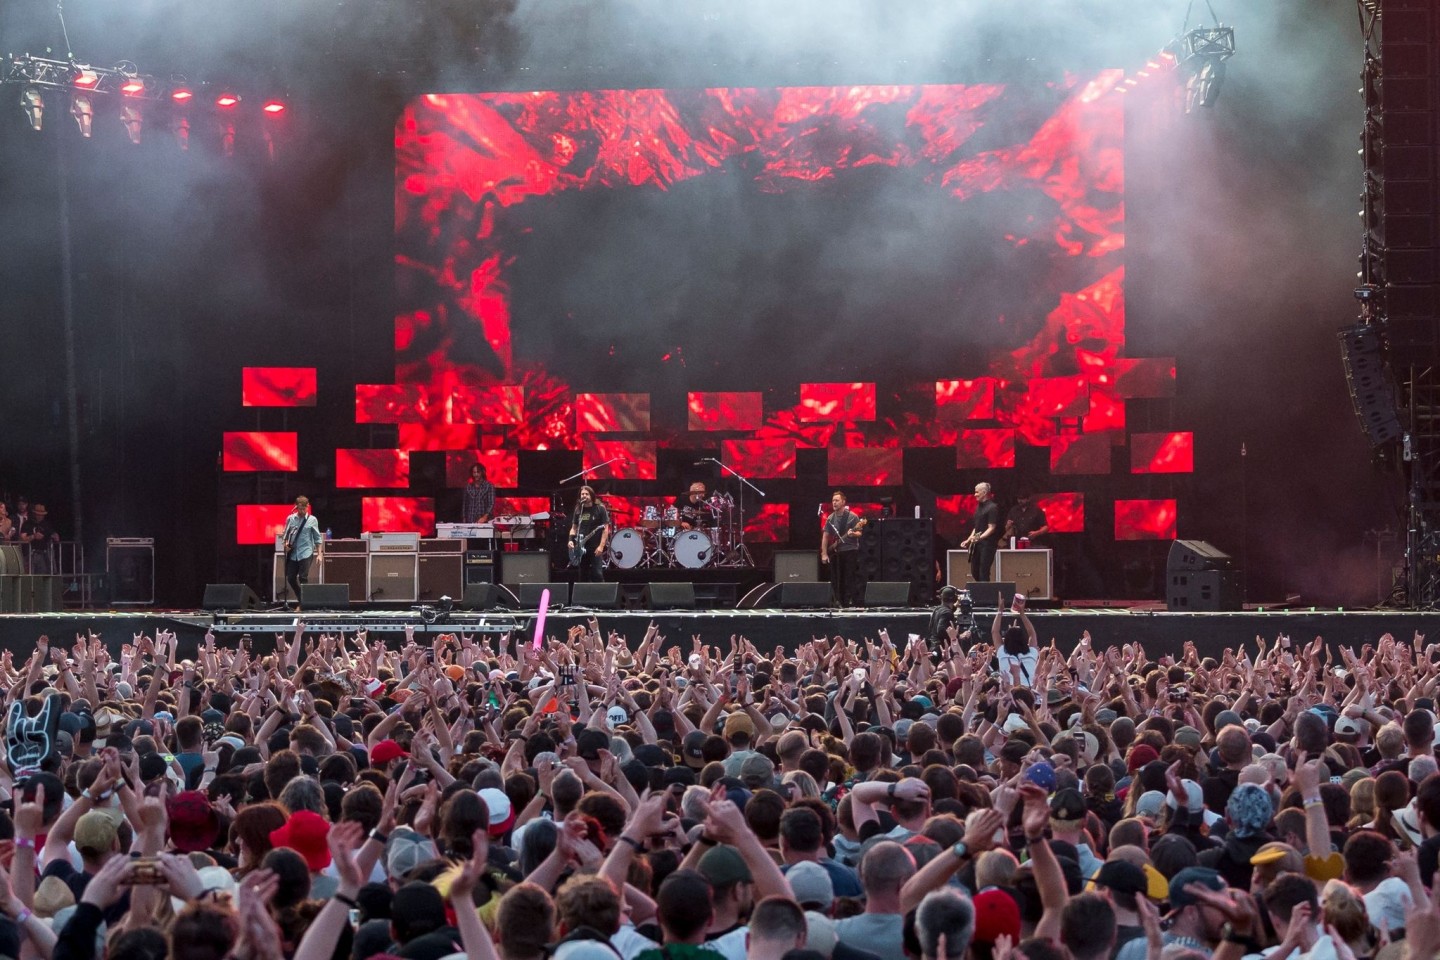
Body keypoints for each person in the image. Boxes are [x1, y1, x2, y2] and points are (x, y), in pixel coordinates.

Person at [820, 491, 865, 607]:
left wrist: (852, 534)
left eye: (837, 500)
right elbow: (825, 536)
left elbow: (859, 533)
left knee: (849, 577)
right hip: (837, 551)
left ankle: (853, 602)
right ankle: (840, 602)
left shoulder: (852, 516)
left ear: (843, 502)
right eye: (833, 500)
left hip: (850, 550)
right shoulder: (830, 518)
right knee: (837, 578)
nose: (834, 503)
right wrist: (824, 553)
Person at [280, 495, 324, 610]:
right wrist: (285, 545)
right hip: (293, 553)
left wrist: (319, 554)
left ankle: (303, 604)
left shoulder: (312, 520)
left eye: (304, 509)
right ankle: (303, 600)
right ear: (296, 507)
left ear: (307, 507)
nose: (302, 511)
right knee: (290, 577)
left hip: (306, 552)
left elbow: (317, 538)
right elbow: (285, 534)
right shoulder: (290, 518)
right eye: (300, 509)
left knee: (303, 577)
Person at [568, 485, 610, 582]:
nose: (584, 496)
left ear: (591, 495)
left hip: (595, 546)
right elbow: (573, 528)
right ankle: (584, 595)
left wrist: (601, 546)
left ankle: (602, 594)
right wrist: (570, 540)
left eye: (587, 494)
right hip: (581, 546)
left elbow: (605, 529)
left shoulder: (600, 509)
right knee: (582, 574)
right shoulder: (578, 510)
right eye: (582, 494)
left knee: (597, 573)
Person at [959, 482, 999, 582]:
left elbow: (991, 528)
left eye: (977, 492)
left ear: (984, 492)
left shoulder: (992, 508)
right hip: (977, 544)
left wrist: (977, 538)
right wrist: (968, 540)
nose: (975, 494)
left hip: (987, 545)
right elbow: (976, 527)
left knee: (983, 571)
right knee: (974, 571)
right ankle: (981, 590)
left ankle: (985, 595)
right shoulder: (978, 507)